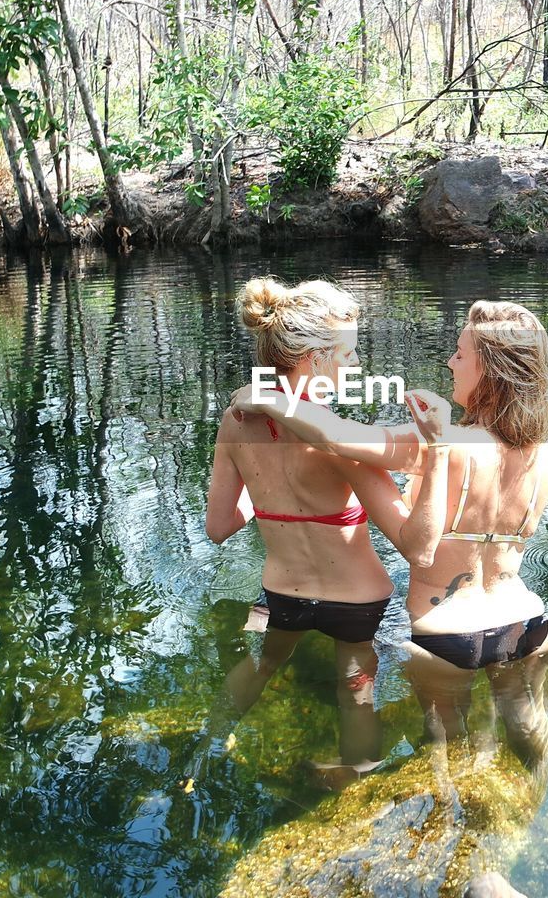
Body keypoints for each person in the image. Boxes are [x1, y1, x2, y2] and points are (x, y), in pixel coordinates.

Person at [229, 300, 548, 766]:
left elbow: (334, 436)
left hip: (447, 636)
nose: (450, 361)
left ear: (491, 371)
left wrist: (264, 395)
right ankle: (529, 810)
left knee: (443, 758)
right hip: (528, 626)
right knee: (527, 725)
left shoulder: (441, 442)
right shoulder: (545, 455)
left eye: (461, 354)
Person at [205, 276, 448, 777]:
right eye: (350, 355)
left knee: (266, 664)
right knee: (356, 689)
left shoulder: (235, 421)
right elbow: (413, 546)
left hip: (283, 594)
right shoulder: (343, 443)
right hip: (356, 604)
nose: (356, 367)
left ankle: (209, 744)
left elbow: (219, 526)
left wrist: (269, 499)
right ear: (316, 359)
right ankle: (356, 780)